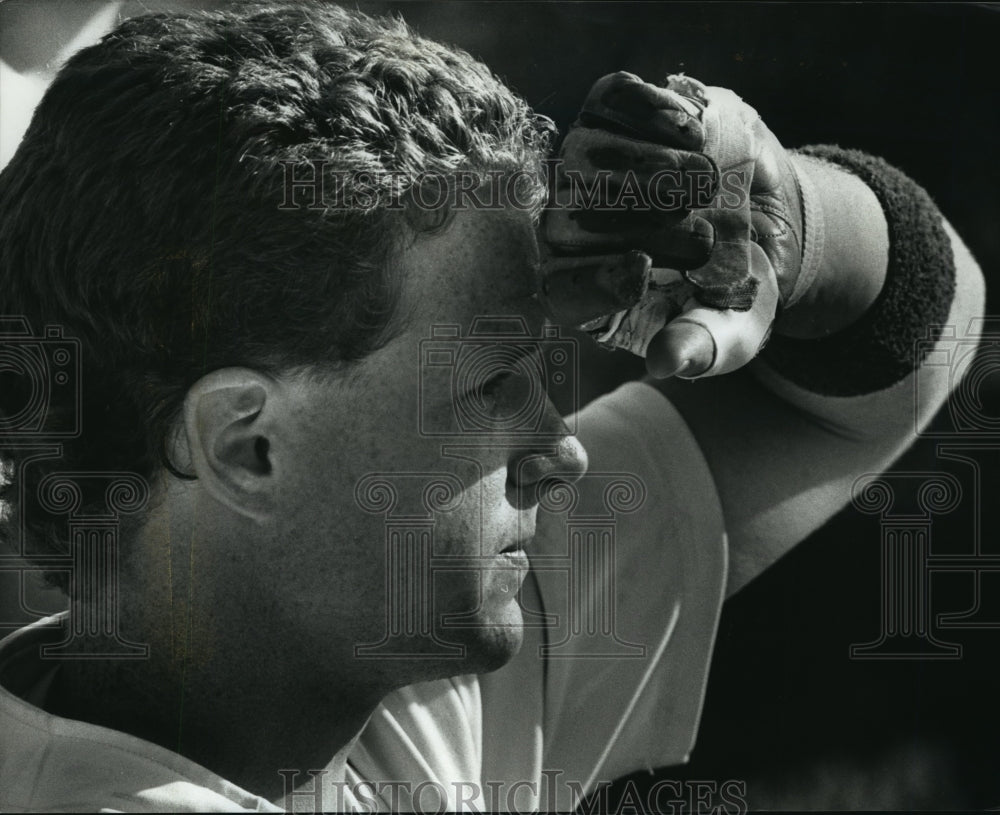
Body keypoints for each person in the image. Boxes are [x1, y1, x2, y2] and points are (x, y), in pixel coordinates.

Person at [0, 2, 984, 811]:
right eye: (491, 382)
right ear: (249, 446)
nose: (559, 448)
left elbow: (914, 345)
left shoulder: (385, 640)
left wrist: (789, 225)